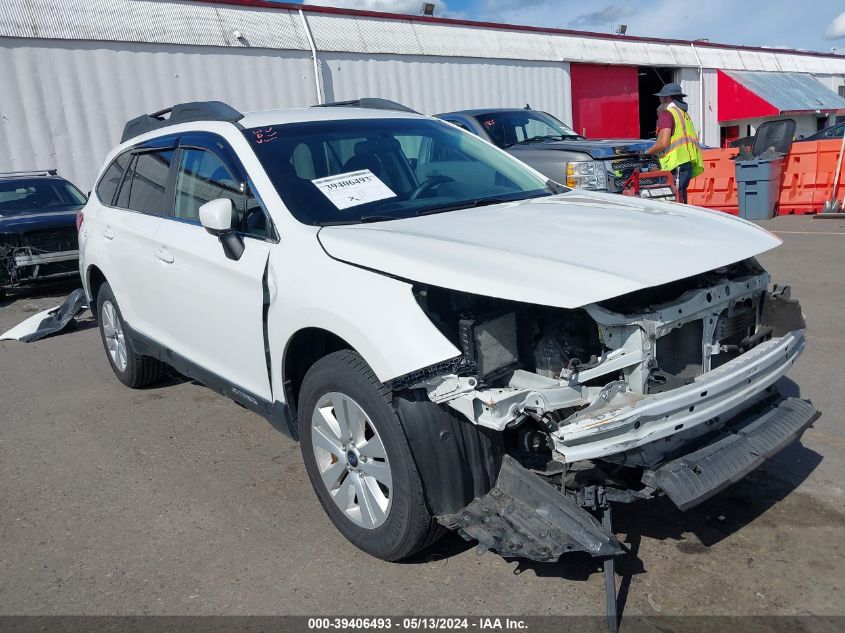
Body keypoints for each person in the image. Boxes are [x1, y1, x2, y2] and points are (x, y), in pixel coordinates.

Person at [642, 83, 703, 203]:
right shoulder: (684, 114)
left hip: (676, 164)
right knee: (681, 196)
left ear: (668, 98)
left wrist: (646, 153)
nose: (659, 100)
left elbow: (663, 143)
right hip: (686, 163)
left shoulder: (667, 114)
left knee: (674, 200)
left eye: (661, 97)